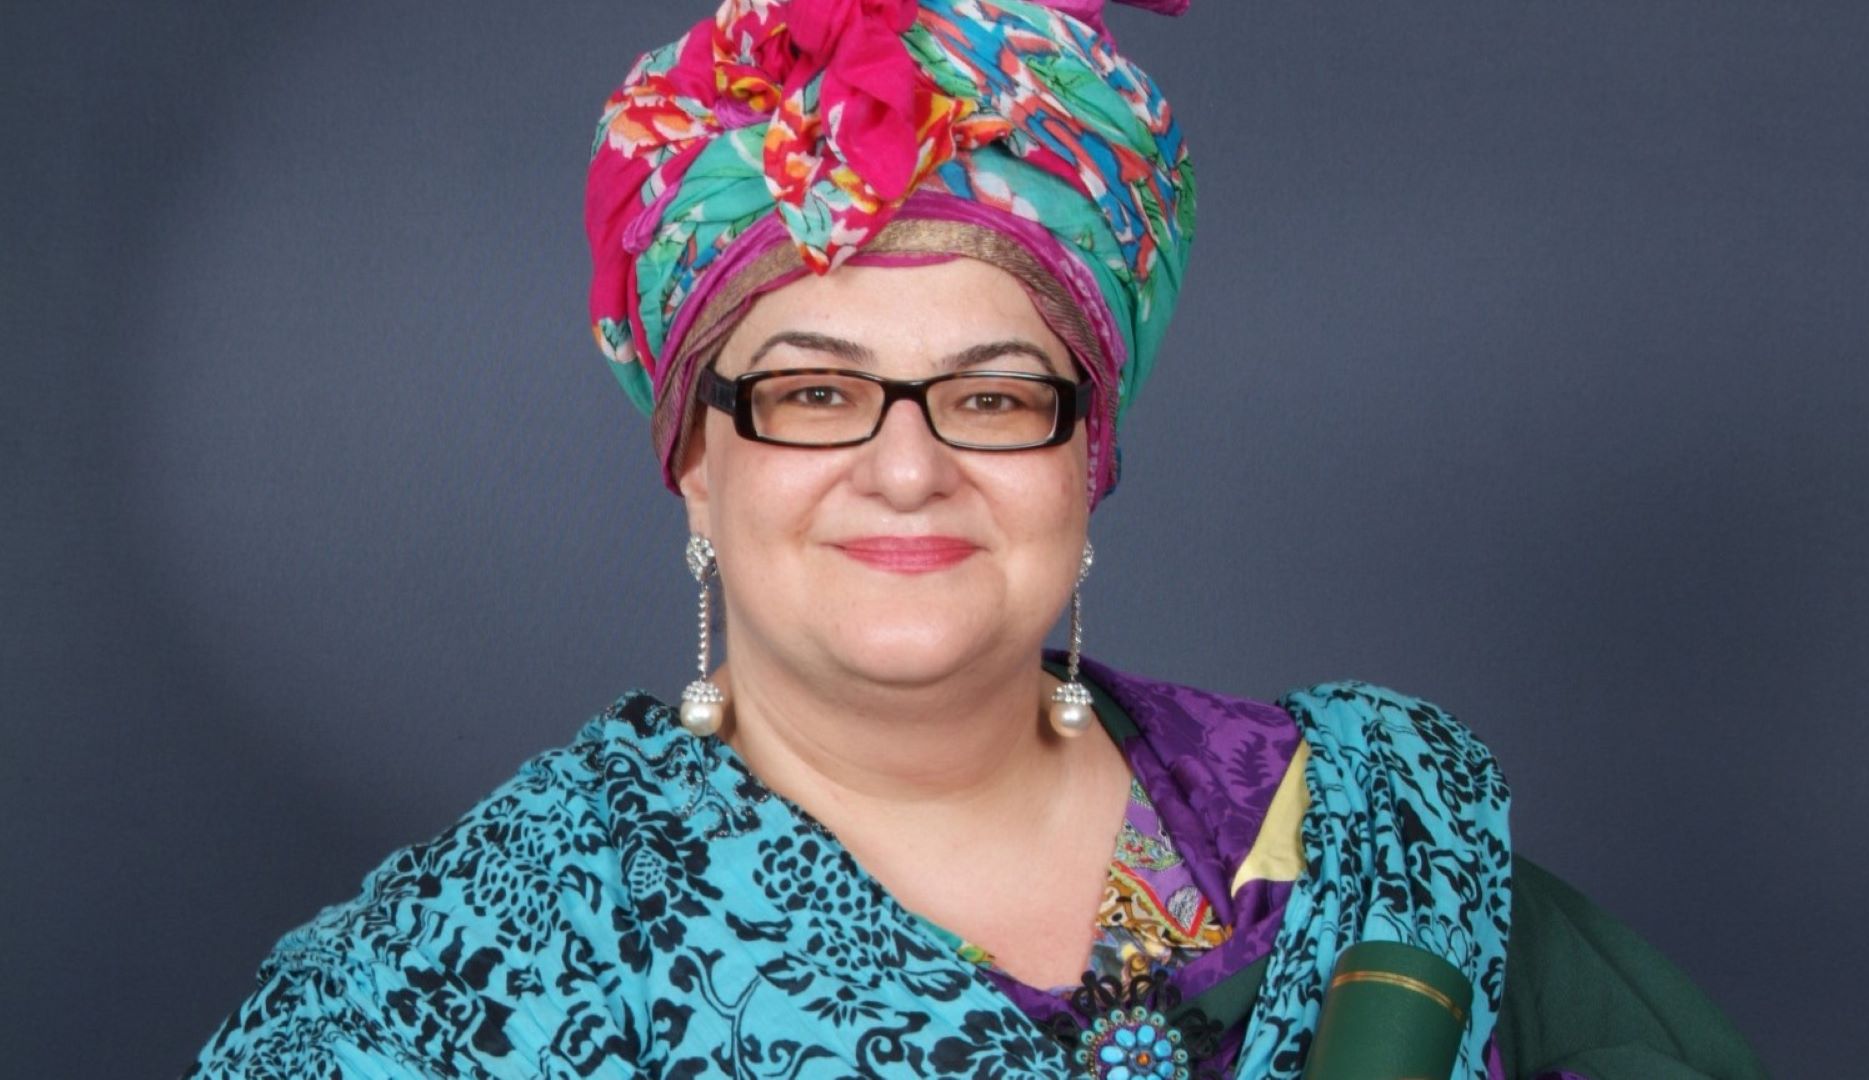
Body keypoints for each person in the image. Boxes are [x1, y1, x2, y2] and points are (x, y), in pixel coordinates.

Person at [188, 1, 1765, 1077]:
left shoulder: (1369, 845)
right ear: (692, 462)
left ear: (1090, 456)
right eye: (813, 392)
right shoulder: (464, 976)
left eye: (994, 398)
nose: (906, 467)